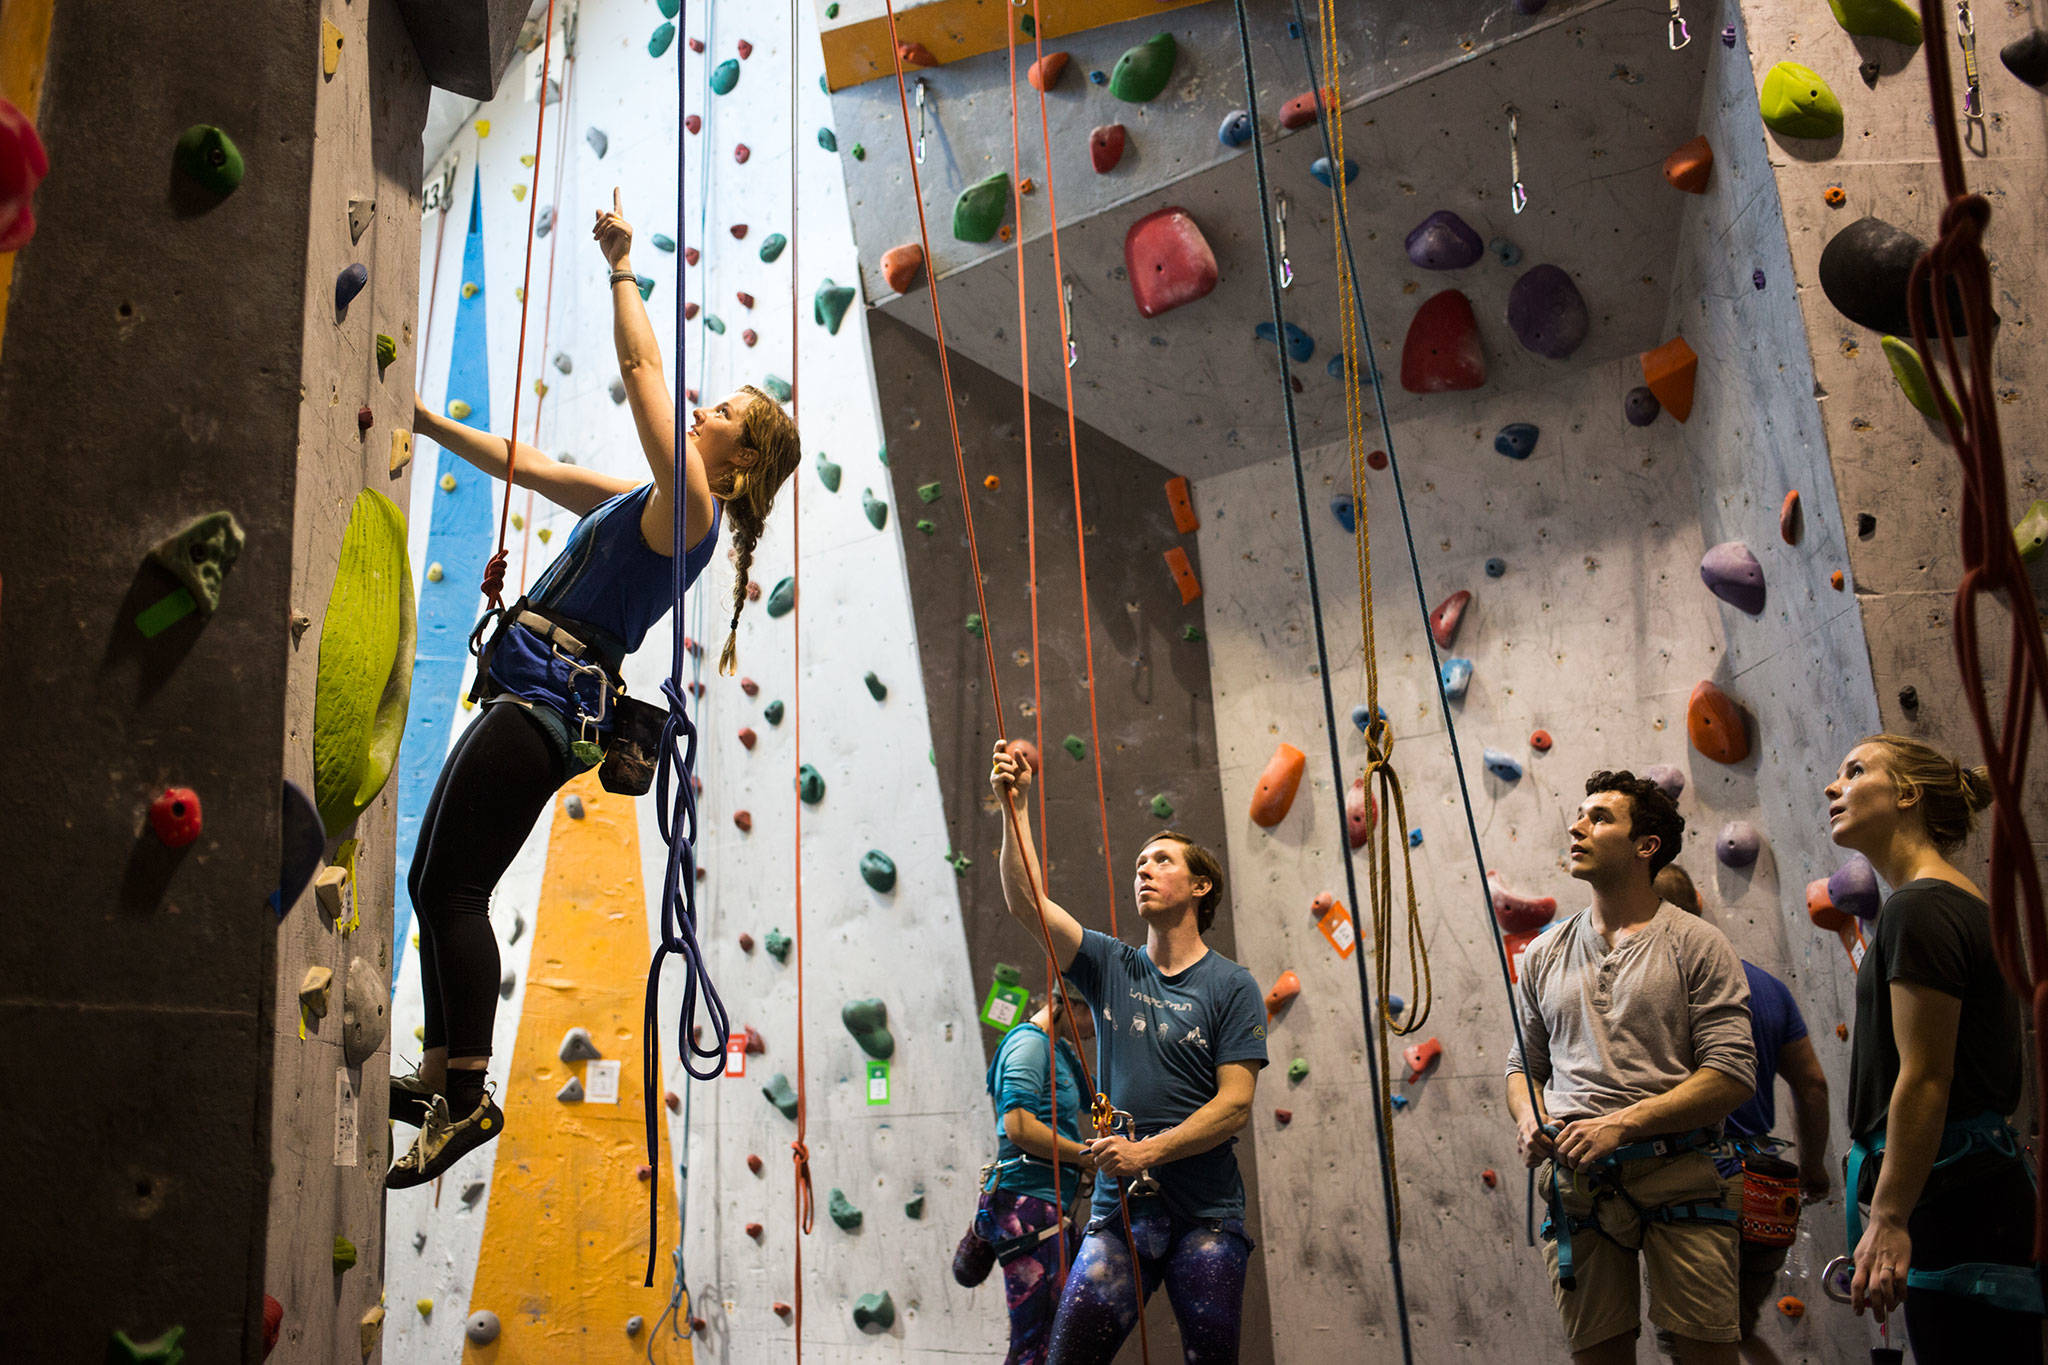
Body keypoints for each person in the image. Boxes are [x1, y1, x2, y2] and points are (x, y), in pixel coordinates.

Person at [386, 189, 801, 1189]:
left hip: (540, 710)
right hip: (532, 701)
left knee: (453, 888)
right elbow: (530, 466)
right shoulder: (650, 504)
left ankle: (472, 1090)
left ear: (739, 462)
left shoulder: (693, 507)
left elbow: (640, 367)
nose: (699, 411)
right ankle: (442, 1073)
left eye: (722, 414)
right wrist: (427, 423)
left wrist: (621, 262)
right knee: (431, 882)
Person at [987, 741, 1267, 1365]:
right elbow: (1027, 904)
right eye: (1139, 862)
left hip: (1206, 1217)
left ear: (1200, 885)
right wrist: (1016, 808)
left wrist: (1147, 1150)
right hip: (1121, 1218)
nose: (1143, 869)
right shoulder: (1113, 966)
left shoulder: (1231, 986)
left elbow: (1235, 1106)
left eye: (1161, 860)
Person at [1505, 770, 1757, 1365]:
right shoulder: (1543, 952)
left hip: (1680, 1174)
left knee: (1706, 1356)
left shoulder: (1696, 944)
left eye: (1599, 818)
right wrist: (1529, 1116)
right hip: (1579, 1187)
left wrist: (1625, 1124)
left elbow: (1731, 1073)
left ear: (1646, 847)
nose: (1576, 825)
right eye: (1578, 814)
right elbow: (1524, 1065)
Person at [1826, 734, 2038, 1360]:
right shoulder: (1958, 901)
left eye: (1855, 771)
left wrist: (1889, 1215)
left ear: (1907, 795)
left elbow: (1926, 1075)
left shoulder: (1919, 909)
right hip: (1964, 1190)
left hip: (1954, 1198)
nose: (1833, 786)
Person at [1652, 865, 1832, 1365]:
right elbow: (1812, 1084)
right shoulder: (1768, 987)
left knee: (1699, 1343)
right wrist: (1813, 1167)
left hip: (1693, 1186)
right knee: (1737, 1331)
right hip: (1766, 1190)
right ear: (1701, 903)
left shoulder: (1658, 990)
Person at [969, 986, 1098, 1365]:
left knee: (1046, 1341)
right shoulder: (1029, 1045)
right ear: (1069, 1006)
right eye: (1094, 1015)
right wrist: (1084, 1156)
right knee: (1035, 1348)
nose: (1098, 1027)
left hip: (1042, 1204)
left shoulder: (1059, 1050)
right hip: (1027, 1207)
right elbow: (1019, 1127)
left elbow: (1099, 1102)